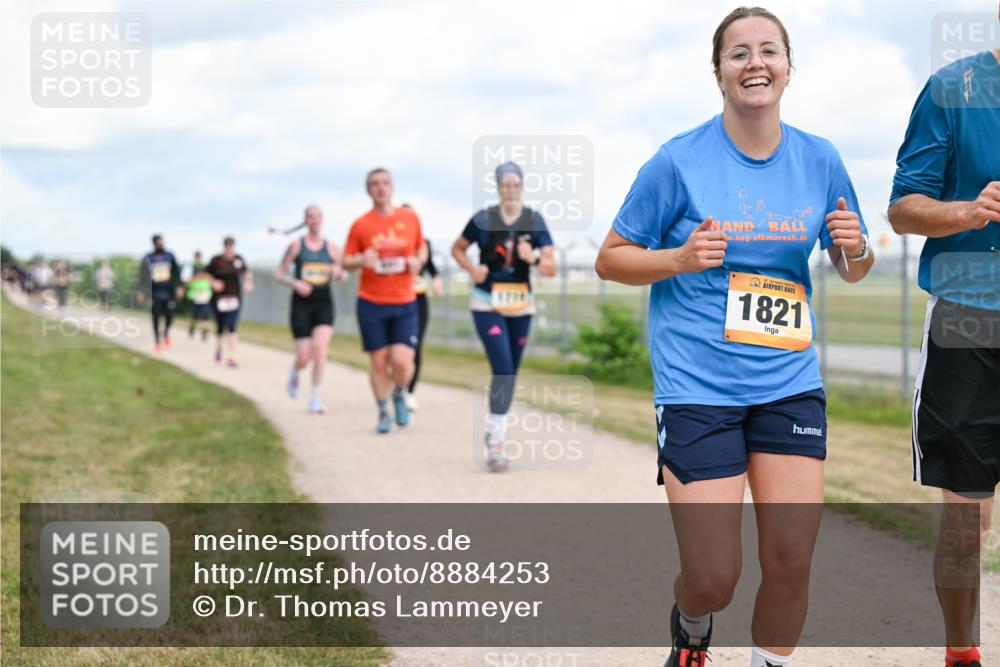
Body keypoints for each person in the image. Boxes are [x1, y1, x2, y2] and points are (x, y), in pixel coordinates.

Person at [595, 7, 874, 666]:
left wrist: (856, 249)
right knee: (713, 576)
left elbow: (852, 265)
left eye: (769, 51)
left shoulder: (821, 158)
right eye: (739, 53)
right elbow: (611, 257)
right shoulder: (677, 161)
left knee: (789, 561)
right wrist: (678, 258)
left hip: (788, 383)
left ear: (788, 67)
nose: (755, 63)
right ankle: (691, 626)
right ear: (717, 71)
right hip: (698, 386)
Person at [887, 26, 999, 667]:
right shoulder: (951, 89)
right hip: (969, 320)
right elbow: (903, 209)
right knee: (969, 517)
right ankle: (963, 652)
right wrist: (971, 210)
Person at [452, 162, 557, 472]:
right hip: (486, 302)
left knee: (510, 373)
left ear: (522, 186)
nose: (510, 189)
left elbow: (550, 268)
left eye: (515, 184)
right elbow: (457, 249)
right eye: (505, 184)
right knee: (503, 367)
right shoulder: (483, 219)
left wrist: (534, 257)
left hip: (521, 304)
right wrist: (472, 269)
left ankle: (493, 432)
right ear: (498, 187)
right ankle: (497, 441)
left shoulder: (534, 220)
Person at [341, 168, 427, 433]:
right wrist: (360, 260)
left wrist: (417, 262)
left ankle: (399, 392)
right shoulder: (361, 224)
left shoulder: (409, 218)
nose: (381, 188)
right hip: (371, 301)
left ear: (392, 187)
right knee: (379, 362)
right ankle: (382, 411)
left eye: (385, 183)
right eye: (375, 184)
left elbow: (421, 247)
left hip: (404, 300)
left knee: (402, 361)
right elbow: (345, 260)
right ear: (368, 190)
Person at [275, 205, 345, 414]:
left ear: (322, 220)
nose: (314, 220)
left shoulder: (331, 247)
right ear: (305, 220)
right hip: (301, 304)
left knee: (320, 349)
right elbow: (279, 274)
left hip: (323, 302)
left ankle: (315, 396)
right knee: (304, 356)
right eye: (310, 217)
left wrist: (338, 273)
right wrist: (295, 283)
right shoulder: (296, 246)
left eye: (317, 216)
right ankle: (295, 371)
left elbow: (344, 273)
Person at [402, 206, 443, 412]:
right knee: (397, 350)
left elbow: (432, 267)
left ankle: (409, 392)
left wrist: (436, 280)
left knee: (416, 347)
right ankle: (397, 384)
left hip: (418, 300)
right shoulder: (392, 242)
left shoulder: (424, 243)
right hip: (396, 299)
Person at [206, 236, 253, 367]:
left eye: (231, 246)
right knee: (220, 327)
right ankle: (219, 348)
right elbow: (206, 274)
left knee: (232, 326)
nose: (229, 248)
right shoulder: (216, 261)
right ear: (224, 246)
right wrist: (213, 282)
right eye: (227, 245)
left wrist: (248, 282)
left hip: (234, 298)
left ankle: (231, 356)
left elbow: (247, 272)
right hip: (218, 299)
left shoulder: (238, 260)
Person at [138, 235, 182, 351]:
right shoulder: (148, 258)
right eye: (158, 242)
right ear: (154, 243)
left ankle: (166, 333)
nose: (160, 243)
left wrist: (179, 287)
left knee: (170, 315)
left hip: (168, 292)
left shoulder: (170, 256)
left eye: (161, 241)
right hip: (154, 292)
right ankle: (157, 341)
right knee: (156, 317)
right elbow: (143, 276)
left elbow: (177, 273)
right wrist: (141, 291)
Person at [184, 251, 214, 341]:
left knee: (206, 315)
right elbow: (186, 281)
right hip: (195, 294)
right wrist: (196, 277)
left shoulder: (206, 267)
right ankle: (192, 327)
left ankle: (205, 331)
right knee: (195, 315)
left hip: (205, 294)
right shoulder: (190, 267)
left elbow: (211, 279)